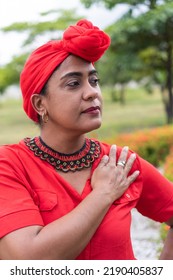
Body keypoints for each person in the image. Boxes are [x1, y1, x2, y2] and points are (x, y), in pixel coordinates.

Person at [0, 19, 173, 260]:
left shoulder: (119, 163)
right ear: (40, 104)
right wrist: (103, 194)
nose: (92, 92)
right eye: (73, 83)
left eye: (94, 80)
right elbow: (27, 260)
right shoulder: (10, 165)